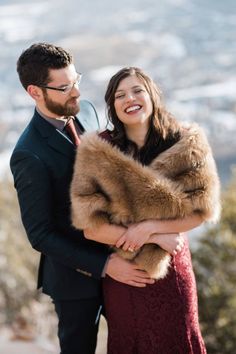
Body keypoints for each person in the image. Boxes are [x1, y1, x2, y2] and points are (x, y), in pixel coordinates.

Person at [10, 44, 158, 354]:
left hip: (129, 261)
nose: (76, 92)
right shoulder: (28, 154)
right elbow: (40, 234)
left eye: (76, 79)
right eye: (64, 87)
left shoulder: (87, 110)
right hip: (76, 282)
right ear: (34, 92)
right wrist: (105, 265)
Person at [70, 67, 221, 353]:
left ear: (152, 94)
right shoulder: (98, 150)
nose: (130, 99)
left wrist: (151, 228)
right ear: (112, 106)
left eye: (137, 90)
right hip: (127, 275)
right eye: (120, 95)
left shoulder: (185, 143)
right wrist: (152, 236)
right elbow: (91, 227)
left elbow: (202, 211)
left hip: (171, 273)